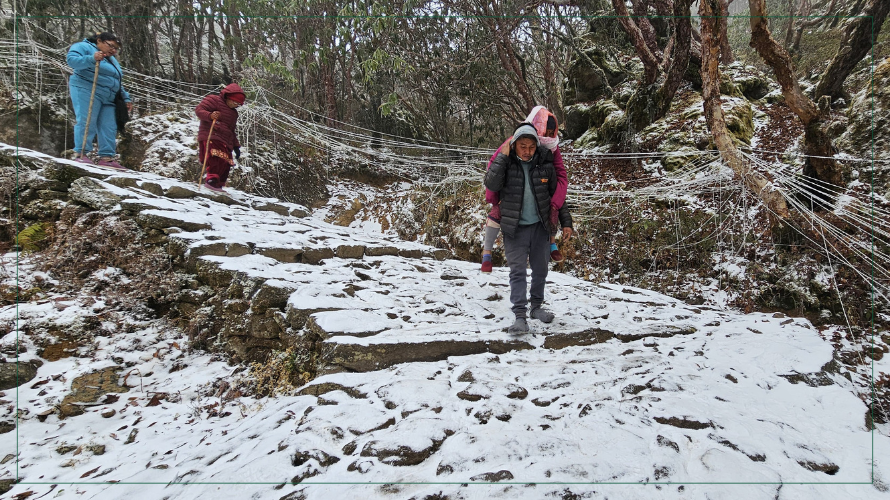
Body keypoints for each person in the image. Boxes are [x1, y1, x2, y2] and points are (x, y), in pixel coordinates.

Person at [484, 123, 569, 334]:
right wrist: (502, 157)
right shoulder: (507, 164)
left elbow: (557, 198)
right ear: (514, 145)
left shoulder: (544, 165)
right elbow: (491, 184)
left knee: (541, 269)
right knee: (518, 272)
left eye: (531, 146)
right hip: (514, 229)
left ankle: (536, 307)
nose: (527, 151)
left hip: (540, 228)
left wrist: (566, 222)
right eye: (522, 146)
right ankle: (520, 315)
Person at [481, 106, 567, 273]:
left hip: (541, 192)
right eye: (545, 131)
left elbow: (561, 174)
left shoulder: (552, 148)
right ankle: (487, 252)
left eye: (552, 133)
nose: (548, 136)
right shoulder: (517, 140)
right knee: (496, 214)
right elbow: (495, 165)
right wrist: (493, 197)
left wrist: (556, 200)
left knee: (549, 209)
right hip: (512, 195)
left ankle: (551, 243)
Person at [67, 32, 132, 169]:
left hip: (109, 96)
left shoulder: (111, 59)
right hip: (87, 89)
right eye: (111, 46)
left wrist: (125, 97)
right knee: (87, 120)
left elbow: (116, 80)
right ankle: (81, 154)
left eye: (115, 49)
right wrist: (91, 58)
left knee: (109, 126)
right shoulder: (83, 46)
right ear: (99, 41)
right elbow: (72, 61)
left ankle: (106, 157)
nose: (113, 51)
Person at [195, 83, 246, 191]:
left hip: (226, 140)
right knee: (216, 158)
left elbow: (231, 130)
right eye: (235, 102)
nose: (236, 105)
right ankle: (211, 180)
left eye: (238, 104)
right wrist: (210, 115)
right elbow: (199, 110)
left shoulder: (234, 114)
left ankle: (218, 184)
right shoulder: (214, 100)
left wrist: (236, 146)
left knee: (226, 163)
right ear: (228, 97)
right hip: (212, 134)